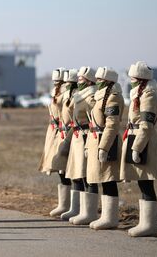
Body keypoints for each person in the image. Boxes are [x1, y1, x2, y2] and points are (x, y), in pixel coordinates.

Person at [121, 61, 157, 237]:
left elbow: (146, 125)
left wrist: (137, 148)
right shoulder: (139, 93)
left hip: (143, 141)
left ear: (140, 79)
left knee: (146, 183)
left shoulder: (148, 95)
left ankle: (150, 225)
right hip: (135, 137)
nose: (130, 80)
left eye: (132, 77)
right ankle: (145, 222)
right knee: (141, 181)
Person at [85, 67, 124, 230]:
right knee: (102, 179)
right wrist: (89, 146)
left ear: (108, 82)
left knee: (108, 180)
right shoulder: (100, 96)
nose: (98, 82)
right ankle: (106, 216)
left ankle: (110, 217)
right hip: (96, 140)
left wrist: (104, 147)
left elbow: (112, 125)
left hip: (107, 142)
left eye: (101, 80)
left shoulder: (113, 98)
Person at [65, 66, 100, 225]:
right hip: (78, 136)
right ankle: (78, 209)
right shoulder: (79, 94)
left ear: (89, 80)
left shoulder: (91, 95)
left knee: (88, 175)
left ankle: (89, 212)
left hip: (86, 136)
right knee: (77, 172)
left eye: (81, 78)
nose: (78, 80)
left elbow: (94, 117)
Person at [38, 68, 72, 217]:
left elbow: (68, 115)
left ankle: (69, 205)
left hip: (63, 131)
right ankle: (63, 204)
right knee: (59, 169)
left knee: (65, 168)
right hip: (54, 132)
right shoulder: (55, 91)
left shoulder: (68, 93)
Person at [54, 69, 79, 220]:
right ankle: (65, 204)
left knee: (73, 170)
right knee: (61, 168)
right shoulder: (64, 94)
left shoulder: (75, 96)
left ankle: (74, 206)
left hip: (71, 134)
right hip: (60, 132)